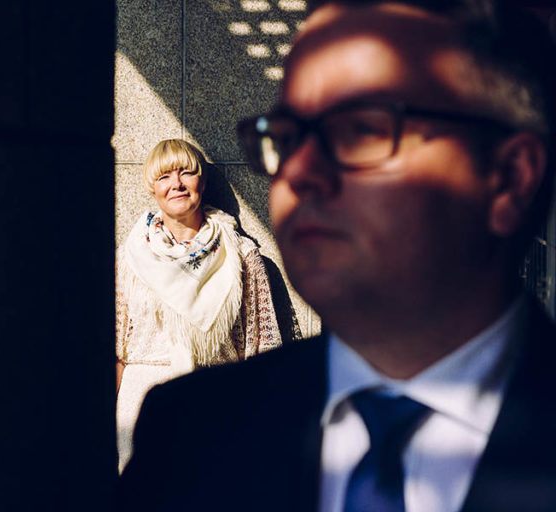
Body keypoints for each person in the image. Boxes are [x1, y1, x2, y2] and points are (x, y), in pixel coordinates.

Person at [118, 1, 556, 511]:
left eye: (359, 130)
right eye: (287, 137)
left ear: (508, 179)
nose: (298, 172)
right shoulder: (186, 433)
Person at [115, 138, 284, 471]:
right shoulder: (128, 259)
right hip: (140, 408)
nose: (176, 184)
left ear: (201, 183)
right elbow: (113, 350)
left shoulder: (241, 255)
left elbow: (265, 351)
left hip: (219, 402)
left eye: (186, 173)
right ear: (152, 187)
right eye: (164, 176)